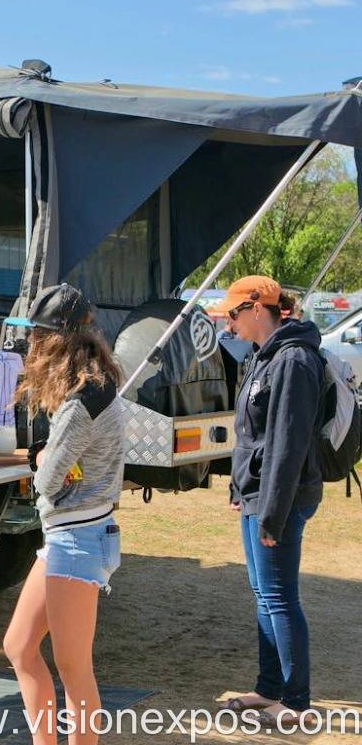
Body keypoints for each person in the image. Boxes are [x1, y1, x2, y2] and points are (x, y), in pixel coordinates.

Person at [2, 284, 125, 745]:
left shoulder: (81, 401)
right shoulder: (95, 385)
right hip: (74, 535)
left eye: (35, 335)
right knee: (19, 646)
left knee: (74, 669)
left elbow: (48, 478)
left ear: (54, 340)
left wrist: (40, 459)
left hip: (77, 537)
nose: (29, 345)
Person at [210, 276, 323, 727]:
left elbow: (287, 445)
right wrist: (239, 490)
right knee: (264, 594)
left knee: (279, 597)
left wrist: (272, 515)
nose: (229, 324)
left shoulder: (293, 359)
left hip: (281, 498)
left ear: (257, 309)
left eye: (233, 314)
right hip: (257, 494)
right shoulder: (264, 355)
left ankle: (295, 702)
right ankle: (269, 688)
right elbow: (251, 435)